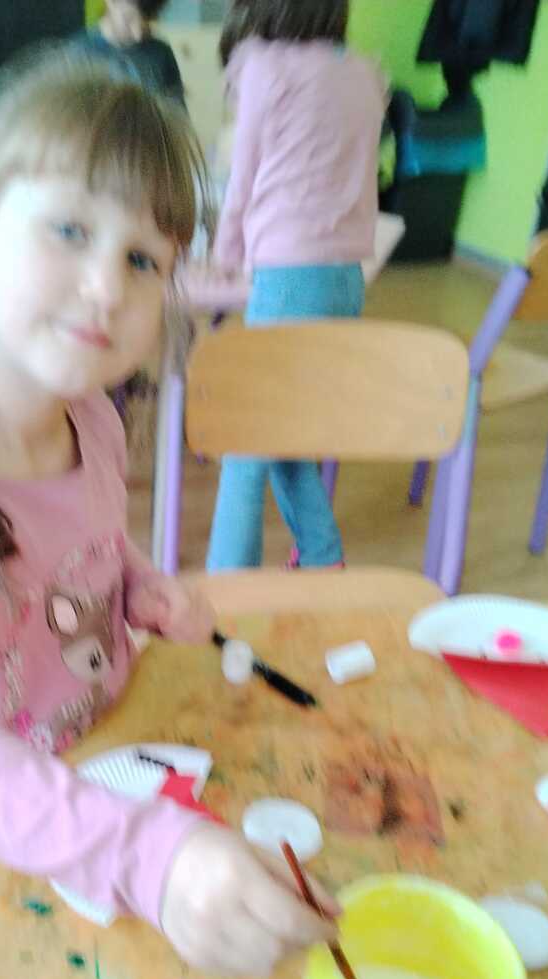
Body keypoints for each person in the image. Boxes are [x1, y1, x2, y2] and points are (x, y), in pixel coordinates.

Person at [0, 58, 337, 975]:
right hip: (4, 848)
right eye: (70, 230)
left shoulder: (96, 421)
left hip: (117, 760)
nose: (108, 287)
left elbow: (89, 543)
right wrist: (149, 856)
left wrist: (142, 583)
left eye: (143, 259)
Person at [206, 0, 385, 572]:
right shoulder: (364, 72)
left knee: (246, 445)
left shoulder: (266, 66)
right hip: (346, 279)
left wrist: (225, 252)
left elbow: (242, 176)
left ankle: (227, 590)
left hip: (288, 278)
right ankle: (323, 556)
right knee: (283, 431)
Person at [73, 0, 186, 104]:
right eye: (130, 19)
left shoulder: (162, 53)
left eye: (146, 23)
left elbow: (177, 113)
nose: (138, 35)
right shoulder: (76, 55)